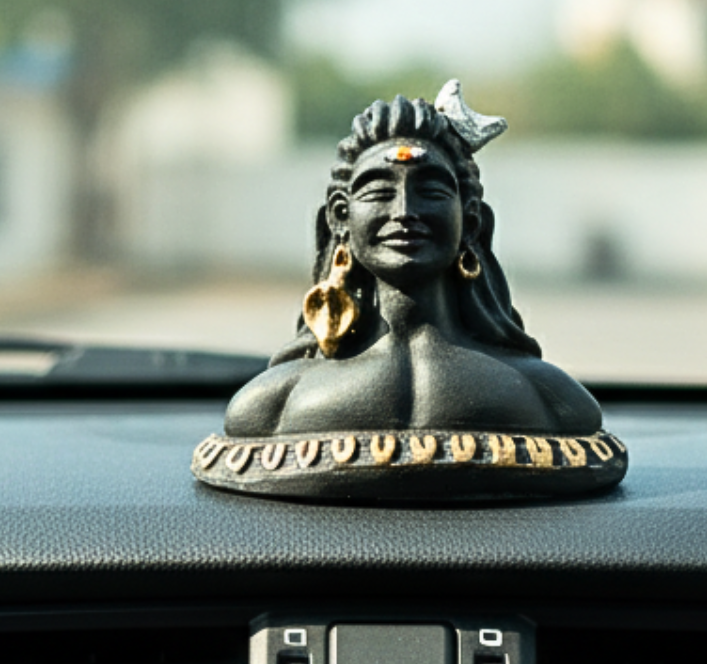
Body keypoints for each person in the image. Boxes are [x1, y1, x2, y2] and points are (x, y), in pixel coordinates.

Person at [224, 86, 603, 438]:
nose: (405, 211)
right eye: (379, 192)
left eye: (432, 191)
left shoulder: (545, 397)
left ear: (470, 221)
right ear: (341, 217)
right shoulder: (275, 401)